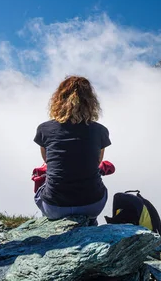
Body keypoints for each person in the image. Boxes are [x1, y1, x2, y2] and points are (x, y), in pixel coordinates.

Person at [33, 76, 111, 222]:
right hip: (92, 204)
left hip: (55, 207)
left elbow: (47, 161)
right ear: (91, 102)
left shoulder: (44, 129)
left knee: (41, 189)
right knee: (98, 189)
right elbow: (98, 162)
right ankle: (89, 225)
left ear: (58, 100)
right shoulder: (100, 131)